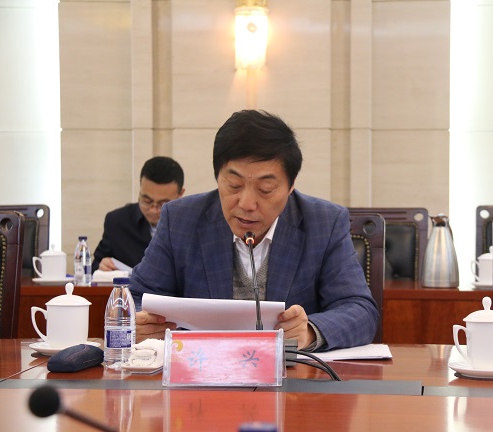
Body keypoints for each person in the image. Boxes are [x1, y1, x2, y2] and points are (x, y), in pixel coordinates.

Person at [129, 110, 378, 351]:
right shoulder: (180, 220)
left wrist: (309, 331)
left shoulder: (324, 222)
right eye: (234, 185)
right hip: (202, 370)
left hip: (290, 376)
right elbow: (137, 297)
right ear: (218, 177)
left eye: (265, 189)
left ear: (291, 186)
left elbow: (360, 311)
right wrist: (142, 324)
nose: (247, 204)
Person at [92, 156, 185, 271]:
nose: (153, 210)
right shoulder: (117, 222)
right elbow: (94, 268)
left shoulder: (192, 225)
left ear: (180, 194)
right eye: (147, 201)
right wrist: (102, 266)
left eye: (163, 204)